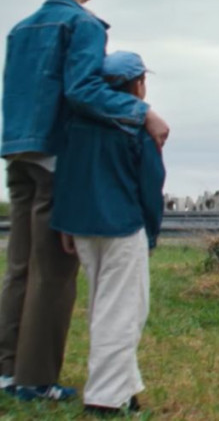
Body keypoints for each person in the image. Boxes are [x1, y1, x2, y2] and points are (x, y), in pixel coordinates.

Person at [0, 0, 170, 403]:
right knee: (53, 273)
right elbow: (82, 90)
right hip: (58, 153)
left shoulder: (19, 29)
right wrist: (140, 111)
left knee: (19, 265)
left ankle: (7, 367)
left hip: (17, 152)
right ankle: (34, 379)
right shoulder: (84, 25)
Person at [50, 50, 165, 416]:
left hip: (83, 226)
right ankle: (104, 399)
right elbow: (151, 185)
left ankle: (126, 389)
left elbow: (64, 176)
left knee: (105, 305)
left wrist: (65, 222)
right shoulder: (136, 127)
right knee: (124, 311)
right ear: (137, 84)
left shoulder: (75, 124)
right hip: (122, 225)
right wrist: (150, 234)